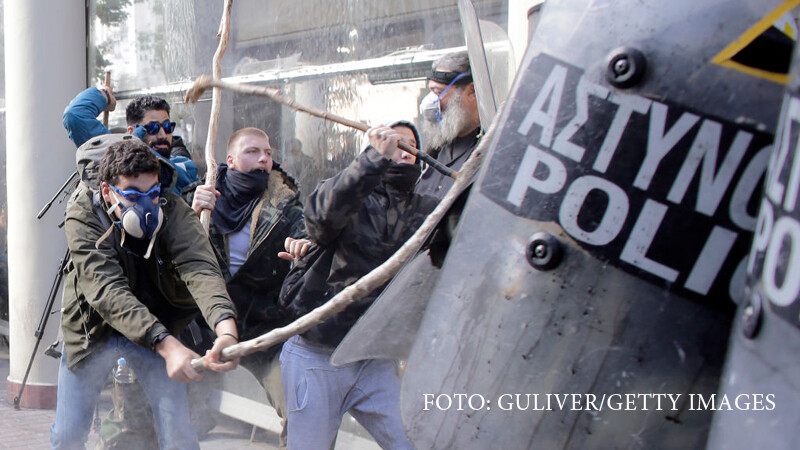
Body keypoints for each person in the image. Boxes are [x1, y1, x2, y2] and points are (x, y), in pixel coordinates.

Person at [50, 138, 240, 449]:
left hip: (153, 323)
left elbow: (200, 268)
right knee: (68, 434)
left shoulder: (172, 208)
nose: (147, 205)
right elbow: (106, 289)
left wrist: (226, 329)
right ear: (108, 191)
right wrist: (168, 347)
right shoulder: (82, 213)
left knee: (178, 430)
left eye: (152, 193)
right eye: (134, 195)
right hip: (93, 328)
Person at [279, 120, 437, 450]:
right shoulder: (351, 194)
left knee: (415, 440)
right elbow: (320, 217)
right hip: (317, 354)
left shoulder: (427, 209)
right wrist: (371, 161)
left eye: (410, 144)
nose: (404, 149)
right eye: (394, 142)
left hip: (374, 357)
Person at [190, 127, 310, 447]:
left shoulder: (284, 205)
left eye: (268, 153)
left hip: (263, 327)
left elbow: (308, 233)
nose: (263, 159)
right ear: (230, 160)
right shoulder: (203, 196)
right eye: (253, 152)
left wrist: (303, 246)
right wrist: (190, 213)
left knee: (299, 407)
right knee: (175, 406)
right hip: (207, 325)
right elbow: (175, 256)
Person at [63, 86, 198, 194]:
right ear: (131, 132)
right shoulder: (117, 158)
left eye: (168, 127)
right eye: (152, 128)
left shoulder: (184, 165)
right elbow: (75, 115)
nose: (163, 135)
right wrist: (104, 95)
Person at [415, 51, 482, 199]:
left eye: (438, 92)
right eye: (431, 91)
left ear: (471, 91)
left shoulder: (485, 152)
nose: (431, 103)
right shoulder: (435, 151)